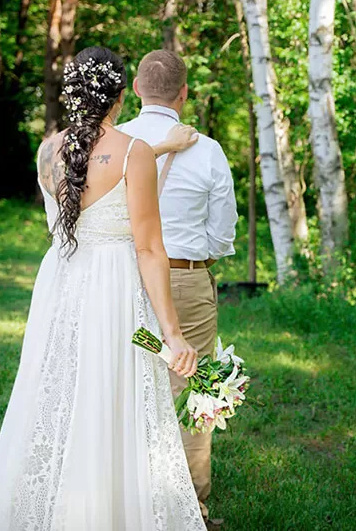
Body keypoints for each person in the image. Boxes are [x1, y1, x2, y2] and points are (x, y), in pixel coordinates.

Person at [0, 46, 206, 531]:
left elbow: (79, 197)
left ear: (73, 93)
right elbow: (149, 250)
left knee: (55, 391)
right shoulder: (134, 153)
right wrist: (173, 335)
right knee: (116, 390)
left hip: (60, 286)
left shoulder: (47, 150)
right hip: (114, 294)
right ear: (121, 96)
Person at [119, 49, 237, 527]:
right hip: (186, 283)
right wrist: (195, 254)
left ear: (135, 91)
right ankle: (192, 508)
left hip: (124, 280)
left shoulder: (118, 140)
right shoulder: (206, 149)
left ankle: (125, 496)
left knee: (127, 379)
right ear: (184, 95)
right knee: (194, 388)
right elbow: (223, 234)